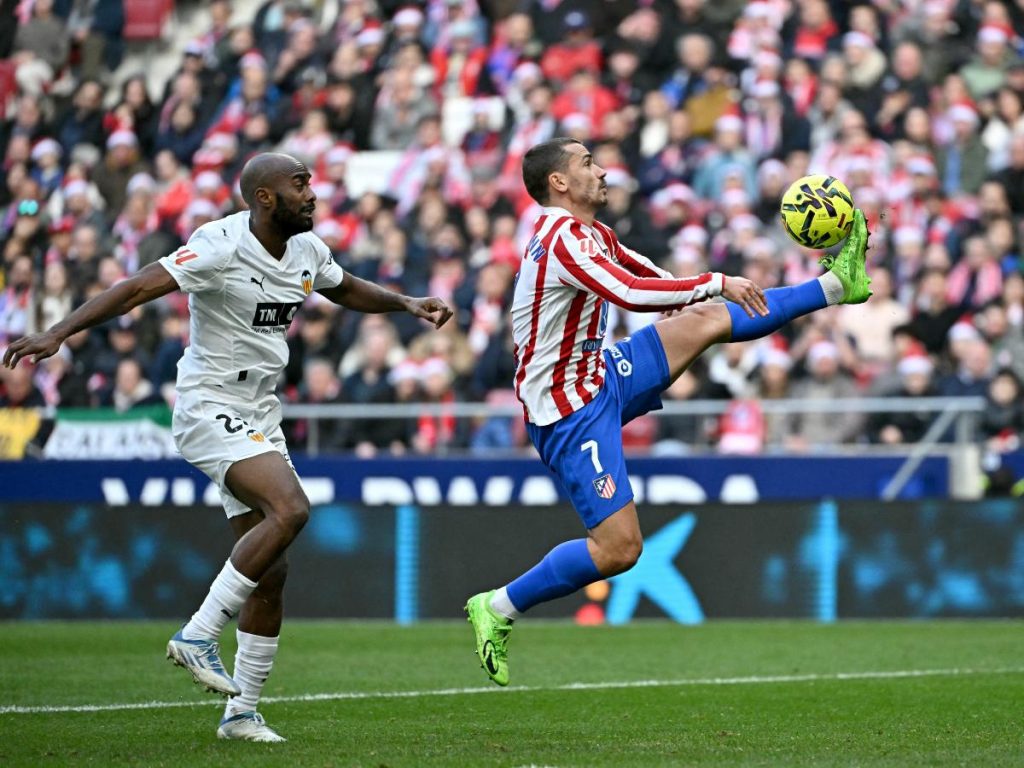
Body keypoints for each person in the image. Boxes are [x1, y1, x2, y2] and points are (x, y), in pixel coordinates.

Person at [3, 152, 453, 741]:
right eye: (300, 185)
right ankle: (197, 632)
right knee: (291, 509)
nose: (313, 194)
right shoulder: (218, 244)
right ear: (264, 198)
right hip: (208, 402)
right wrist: (59, 333)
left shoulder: (307, 249)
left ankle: (241, 712)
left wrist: (405, 304)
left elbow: (345, 289)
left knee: (271, 569)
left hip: (260, 410)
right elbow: (139, 286)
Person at [464, 137, 871, 686]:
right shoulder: (560, 241)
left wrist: (708, 293)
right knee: (620, 549)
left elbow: (658, 285)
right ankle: (498, 606)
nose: (603, 170)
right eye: (588, 163)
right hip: (568, 414)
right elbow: (632, 293)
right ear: (558, 182)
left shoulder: (591, 234)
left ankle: (833, 285)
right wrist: (719, 281)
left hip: (600, 376)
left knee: (705, 318)